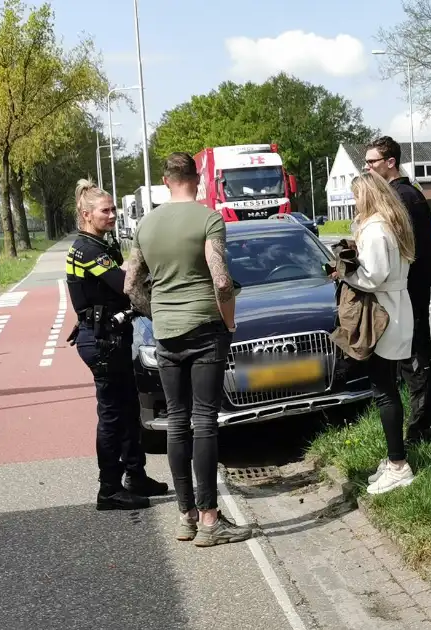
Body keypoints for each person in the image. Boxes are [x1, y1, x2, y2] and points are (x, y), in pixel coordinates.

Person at [125, 152, 253, 547]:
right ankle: (211, 520)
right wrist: (228, 320)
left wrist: (157, 312)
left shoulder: (146, 225)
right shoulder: (209, 219)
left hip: (166, 332)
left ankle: (186, 518)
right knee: (205, 421)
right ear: (196, 180)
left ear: (166, 181)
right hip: (205, 329)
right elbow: (221, 281)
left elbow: (131, 285)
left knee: (177, 421)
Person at [66, 180, 169, 511]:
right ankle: (108, 489)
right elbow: (124, 285)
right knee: (112, 416)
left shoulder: (99, 245)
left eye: (113, 209)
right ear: (86, 214)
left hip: (110, 337)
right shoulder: (87, 250)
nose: (113, 215)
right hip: (102, 341)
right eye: (105, 211)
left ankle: (135, 476)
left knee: (127, 410)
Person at [363, 137, 431, 450]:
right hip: (406, 287)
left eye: (373, 162)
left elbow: (399, 249)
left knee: (417, 355)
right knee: (410, 354)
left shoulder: (403, 197)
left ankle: (423, 428)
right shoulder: (402, 194)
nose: (368, 168)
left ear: (390, 162)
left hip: (410, 287)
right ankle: (418, 424)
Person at [343, 172, 418, 495]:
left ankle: (399, 465)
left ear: (367, 197)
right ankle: (394, 460)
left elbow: (372, 277)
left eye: (356, 196)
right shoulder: (394, 224)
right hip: (396, 308)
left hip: (382, 313)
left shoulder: (375, 229)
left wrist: (344, 273)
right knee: (386, 385)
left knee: (383, 390)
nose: (353, 203)